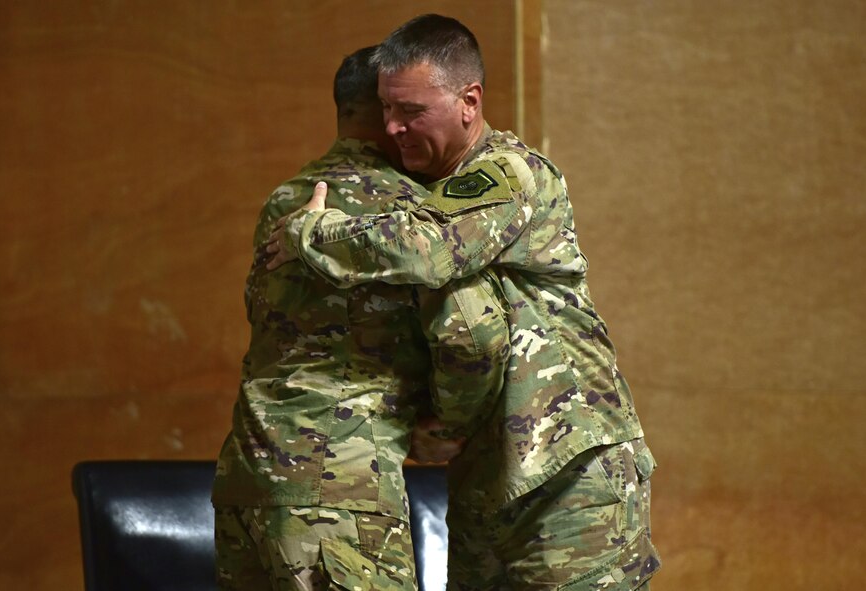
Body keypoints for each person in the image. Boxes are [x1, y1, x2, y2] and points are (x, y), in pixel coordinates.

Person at [267, 15, 660, 591]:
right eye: (385, 109)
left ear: (469, 102)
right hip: (489, 476)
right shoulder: (434, 192)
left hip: (573, 477)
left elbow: (427, 251)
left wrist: (312, 232)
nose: (392, 128)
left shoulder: (507, 174)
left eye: (412, 112)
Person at [211, 45, 509, 591]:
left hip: (246, 480)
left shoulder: (288, 200)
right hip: (341, 488)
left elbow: (260, 312)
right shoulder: (410, 209)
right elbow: (473, 334)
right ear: (386, 108)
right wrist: (448, 428)